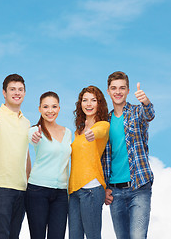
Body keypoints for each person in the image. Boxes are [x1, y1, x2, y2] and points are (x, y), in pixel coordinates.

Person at [102, 71, 155, 239]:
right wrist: (105, 188)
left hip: (139, 187)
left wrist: (145, 101)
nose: (118, 92)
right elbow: (103, 159)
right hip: (115, 191)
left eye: (122, 88)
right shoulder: (105, 122)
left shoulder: (137, 112)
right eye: (114, 88)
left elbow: (149, 114)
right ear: (108, 91)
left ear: (128, 90)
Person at [0, 74, 31, 239]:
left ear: (25, 93)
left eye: (20, 90)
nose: (17, 93)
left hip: (21, 189)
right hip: (0, 187)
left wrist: (28, 182)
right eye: (12, 89)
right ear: (4, 92)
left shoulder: (26, 122)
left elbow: (26, 155)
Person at [26, 91, 72, 239]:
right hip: (37, 191)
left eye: (54, 106)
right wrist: (35, 138)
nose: (50, 111)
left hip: (61, 194)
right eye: (45, 107)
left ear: (59, 108)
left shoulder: (68, 133)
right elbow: (31, 140)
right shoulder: (34, 131)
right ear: (39, 109)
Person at [68, 85, 110, 239]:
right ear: (80, 104)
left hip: (91, 189)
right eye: (85, 100)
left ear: (99, 104)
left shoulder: (103, 126)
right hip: (74, 191)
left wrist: (92, 133)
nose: (89, 104)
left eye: (93, 100)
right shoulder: (77, 132)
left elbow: (99, 132)